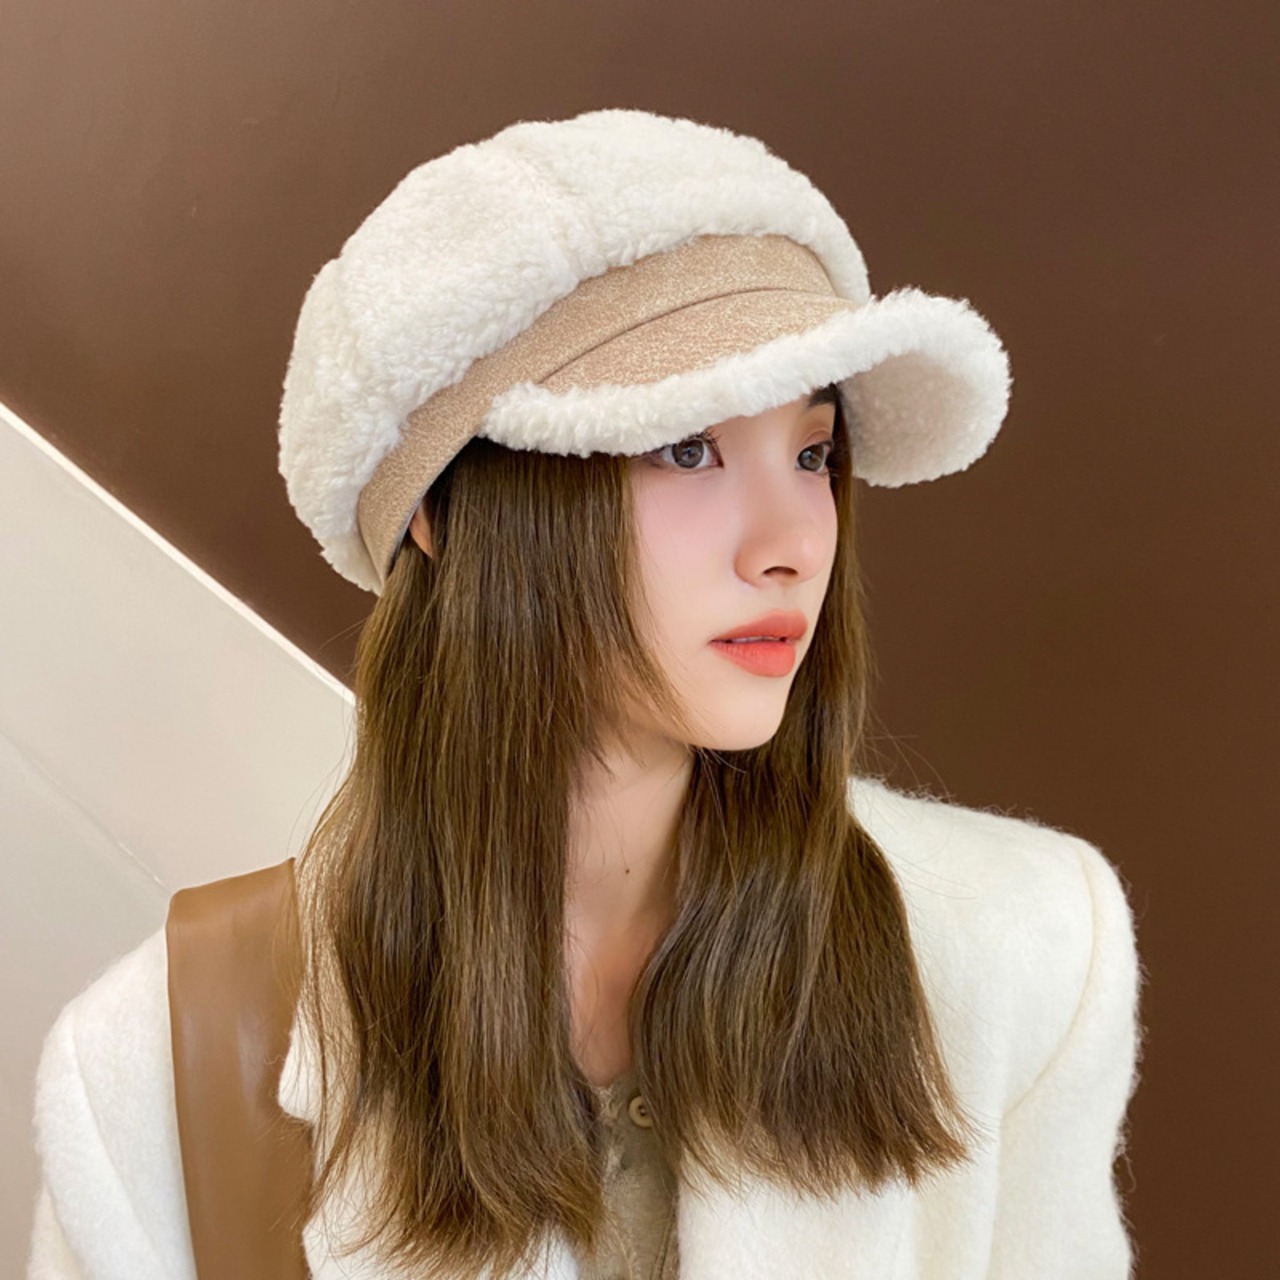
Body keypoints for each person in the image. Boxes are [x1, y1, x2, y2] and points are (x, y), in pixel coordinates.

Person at [27, 109, 1142, 1280]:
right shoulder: (154, 1079)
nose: (788, 545)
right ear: (438, 508)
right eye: (686, 448)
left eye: (812, 454)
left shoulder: (1020, 954)